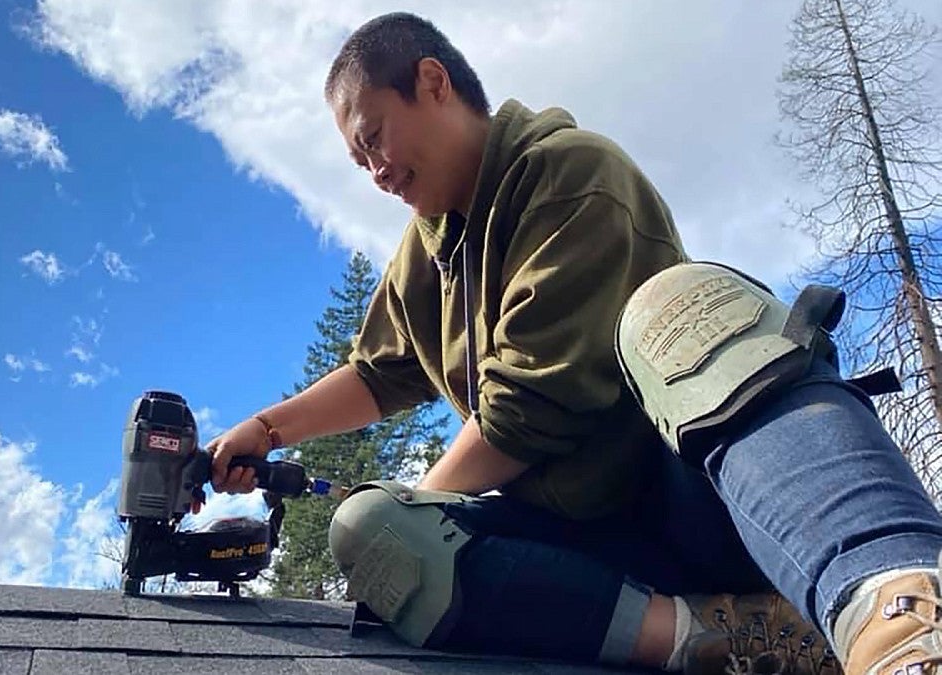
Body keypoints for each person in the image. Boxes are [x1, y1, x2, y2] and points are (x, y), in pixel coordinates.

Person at [205, 12, 942, 675]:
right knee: (372, 528)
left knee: (685, 310)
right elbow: (377, 372)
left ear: (431, 82)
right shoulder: (424, 258)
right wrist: (269, 430)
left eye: (373, 139)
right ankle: (716, 635)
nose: (374, 171)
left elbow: (528, 408)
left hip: (705, 498)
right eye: (358, 161)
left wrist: (428, 498)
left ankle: (899, 607)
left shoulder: (571, 173)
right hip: (595, 555)